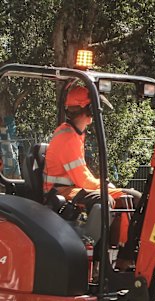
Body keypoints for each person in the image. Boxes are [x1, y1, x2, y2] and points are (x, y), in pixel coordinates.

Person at [43, 85, 141, 270]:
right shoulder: (68, 138)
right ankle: (99, 261)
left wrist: (106, 184)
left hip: (72, 189)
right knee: (104, 200)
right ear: (87, 109)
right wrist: (105, 185)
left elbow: (83, 175)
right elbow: (83, 180)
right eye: (94, 108)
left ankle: (125, 259)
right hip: (60, 192)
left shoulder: (74, 134)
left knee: (135, 198)